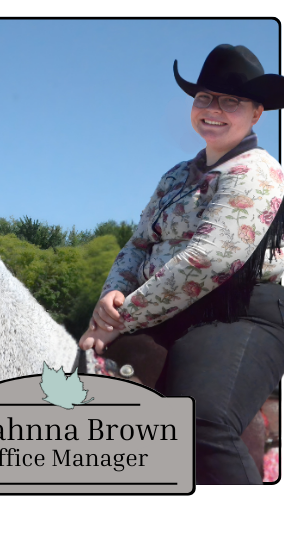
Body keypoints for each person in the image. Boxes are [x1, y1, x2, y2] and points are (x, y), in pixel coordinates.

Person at [79, 44, 284, 484]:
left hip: (238, 311)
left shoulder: (259, 171)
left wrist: (122, 318)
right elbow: (138, 242)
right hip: (159, 310)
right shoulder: (174, 176)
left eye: (231, 101)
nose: (213, 109)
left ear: (257, 113)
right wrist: (110, 296)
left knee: (202, 419)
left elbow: (209, 260)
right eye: (205, 97)